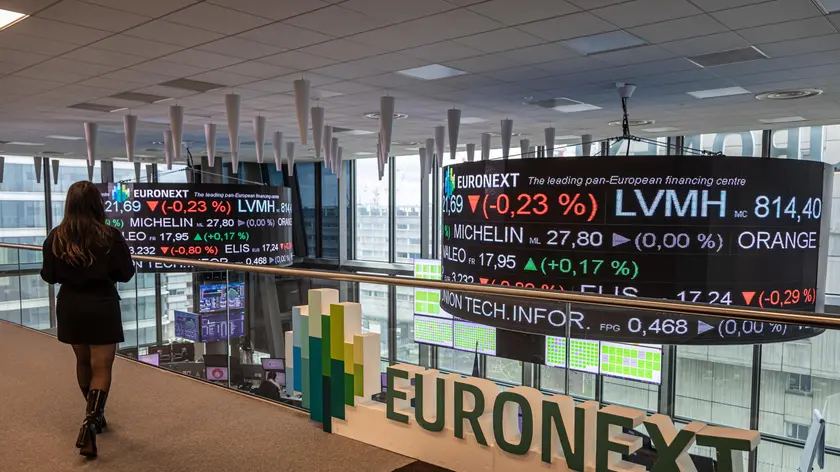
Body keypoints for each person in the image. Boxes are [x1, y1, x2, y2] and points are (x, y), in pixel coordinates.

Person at [40, 181, 135, 459]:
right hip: (102, 305)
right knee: (102, 366)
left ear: (69, 204)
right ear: (97, 204)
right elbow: (126, 272)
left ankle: (95, 417)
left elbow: (50, 275)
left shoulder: (56, 237)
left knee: (83, 363)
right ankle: (91, 422)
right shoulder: (110, 235)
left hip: (70, 306)